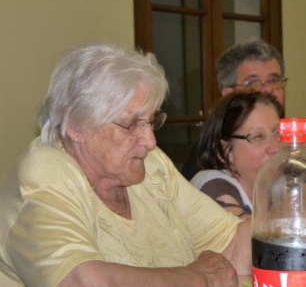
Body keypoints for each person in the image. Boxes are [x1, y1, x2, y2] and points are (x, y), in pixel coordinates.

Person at [0, 41, 251, 287]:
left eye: (151, 121)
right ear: (76, 124)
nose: (150, 141)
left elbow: (230, 244)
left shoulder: (149, 166)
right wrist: (197, 279)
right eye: (131, 124)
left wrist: (282, 208)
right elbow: (81, 281)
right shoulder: (45, 172)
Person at [191, 91, 306, 249]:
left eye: (277, 133)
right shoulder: (211, 184)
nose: (275, 146)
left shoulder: (282, 183)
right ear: (225, 152)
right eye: (258, 137)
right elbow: (247, 245)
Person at [182, 39, 306, 197]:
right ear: (228, 94)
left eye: (274, 80)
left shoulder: (290, 144)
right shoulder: (209, 154)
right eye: (252, 82)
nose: (267, 89)